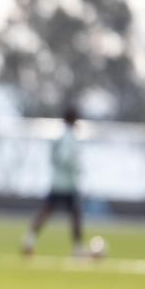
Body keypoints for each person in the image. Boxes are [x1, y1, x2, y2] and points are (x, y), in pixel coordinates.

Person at [22, 106, 84, 257]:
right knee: (74, 215)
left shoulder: (60, 137)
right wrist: (76, 167)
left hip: (58, 182)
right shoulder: (68, 138)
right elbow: (65, 158)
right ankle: (78, 249)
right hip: (66, 184)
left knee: (47, 212)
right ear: (73, 119)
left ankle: (29, 241)